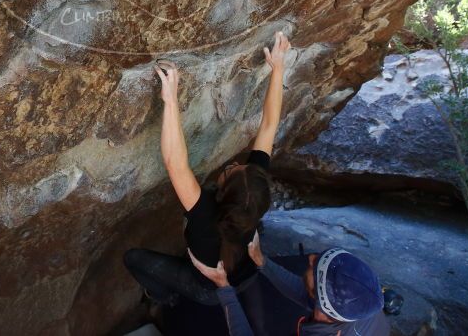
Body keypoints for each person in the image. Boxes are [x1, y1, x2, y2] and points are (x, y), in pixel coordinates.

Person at [123, 31, 291, 310]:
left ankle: (165, 297)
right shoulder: (251, 194)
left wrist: (171, 101)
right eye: (240, 166)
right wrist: (279, 67)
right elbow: (269, 126)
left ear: (222, 195)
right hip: (248, 272)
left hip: (210, 290)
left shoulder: (204, 218)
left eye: (232, 170)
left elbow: (175, 163)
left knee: (133, 258)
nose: (234, 164)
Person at [189, 230, 391, 336]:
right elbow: (307, 294)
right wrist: (263, 262)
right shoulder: (361, 305)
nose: (311, 258)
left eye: (315, 265)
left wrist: (224, 287)